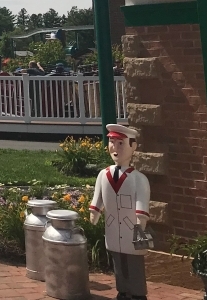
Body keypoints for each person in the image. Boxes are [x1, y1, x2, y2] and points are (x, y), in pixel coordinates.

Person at [90, 124, 151, 300]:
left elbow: (142, 200)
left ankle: (138, 293)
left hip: (131, 227)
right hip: (112, 226)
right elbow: (98, 196)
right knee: (118, 260)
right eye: (112, 142)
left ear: (133, 147)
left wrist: (141, 219)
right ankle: (122, 290)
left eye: (121, 143)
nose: (115, 148)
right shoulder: (104, 174)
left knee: (134, 262)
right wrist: (94, 210)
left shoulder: (138, 178)